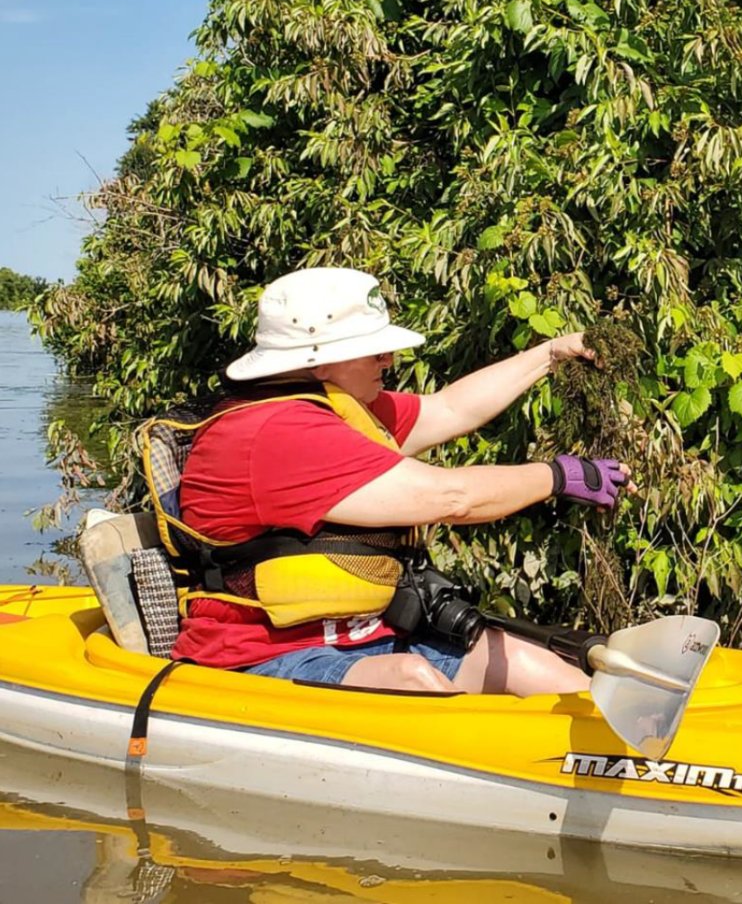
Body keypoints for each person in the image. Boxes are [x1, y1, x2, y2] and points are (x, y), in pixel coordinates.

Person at [170, 266, 633, 695]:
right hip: (264, 659)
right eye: (374, 350)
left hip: (369, 637)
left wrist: (551, 353)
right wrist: (558, 476)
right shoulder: (279, 433)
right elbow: (452, 499)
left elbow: (448, 409)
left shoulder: (339, 407)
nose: (388, 360)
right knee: (412, 679)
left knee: (539, 670)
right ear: (320, 361)